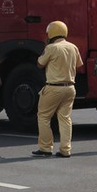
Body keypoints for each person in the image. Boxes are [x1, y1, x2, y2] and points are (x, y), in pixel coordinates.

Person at [33, 20, 82, 158]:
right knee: (65, 118)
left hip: (53, 87)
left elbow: (39, 64)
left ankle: (45, 148)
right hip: (70, 88)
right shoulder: (73, 47)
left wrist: (45, 46)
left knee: (43, 117)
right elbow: (79, 64)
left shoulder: (51, 48)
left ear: (51, 33)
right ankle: (65, 150)